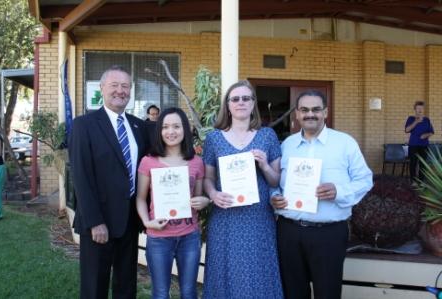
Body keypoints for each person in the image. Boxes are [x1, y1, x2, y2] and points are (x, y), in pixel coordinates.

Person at [270, 90, 373, 299]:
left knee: (327, 292)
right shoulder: (287, 145)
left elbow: (365, 180)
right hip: (289, 231)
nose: (310, 114)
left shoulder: (345, 143)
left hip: (328, 234)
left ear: (325, 112)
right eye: (304, 110)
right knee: (292, 292)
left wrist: (339, 191)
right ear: (297, 114)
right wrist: (274, 196)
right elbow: (276, 182)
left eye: (316, 109)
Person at [69, 65, 152, 299]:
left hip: (129, 220)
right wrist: (95, 221)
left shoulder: (139, 126)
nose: (120, 91)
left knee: (126, 285)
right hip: (99, 222)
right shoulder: (84, 125)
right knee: (95, 286)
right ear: (102, 88)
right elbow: (81, 176)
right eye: (114, 85)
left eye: (125, 86)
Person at [202, 80, 284, 298]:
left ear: (253, 103)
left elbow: (276, 181)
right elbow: (208, 177)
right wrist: (213, 194)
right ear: (227, 105)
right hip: (225, 216)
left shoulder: (267, 136)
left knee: (258, 271)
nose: (240, 102)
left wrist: (265, 165)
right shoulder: (214, 138)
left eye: (246, 98)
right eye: (235, 99)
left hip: (258, 218)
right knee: (224, 271)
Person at [136, 107, 209, 299]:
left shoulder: (196, 162)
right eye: (166, 127)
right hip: (159, 237)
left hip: (189, 238)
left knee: (189, 292)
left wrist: (204, 201)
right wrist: (146, 222)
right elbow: (140, 198)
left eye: (176, 126)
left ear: (185, 129)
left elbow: (198, 200)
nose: (171, 131)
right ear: (159, 131)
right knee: (160, 293)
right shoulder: (148, 162)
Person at [405, 101, 434, 181]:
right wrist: (416, 122)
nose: (420, 110)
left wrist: (426, 135)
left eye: (421, 108)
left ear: (423, 109)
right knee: (413, 163)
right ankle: (413, 181)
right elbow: (407, 130)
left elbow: (431, 132)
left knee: (423, 164)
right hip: (413, 145)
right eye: (418, 108)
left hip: (424, 145)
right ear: (415, 109)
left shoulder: (427, 120)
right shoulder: (410, 119)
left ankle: (422, 182)